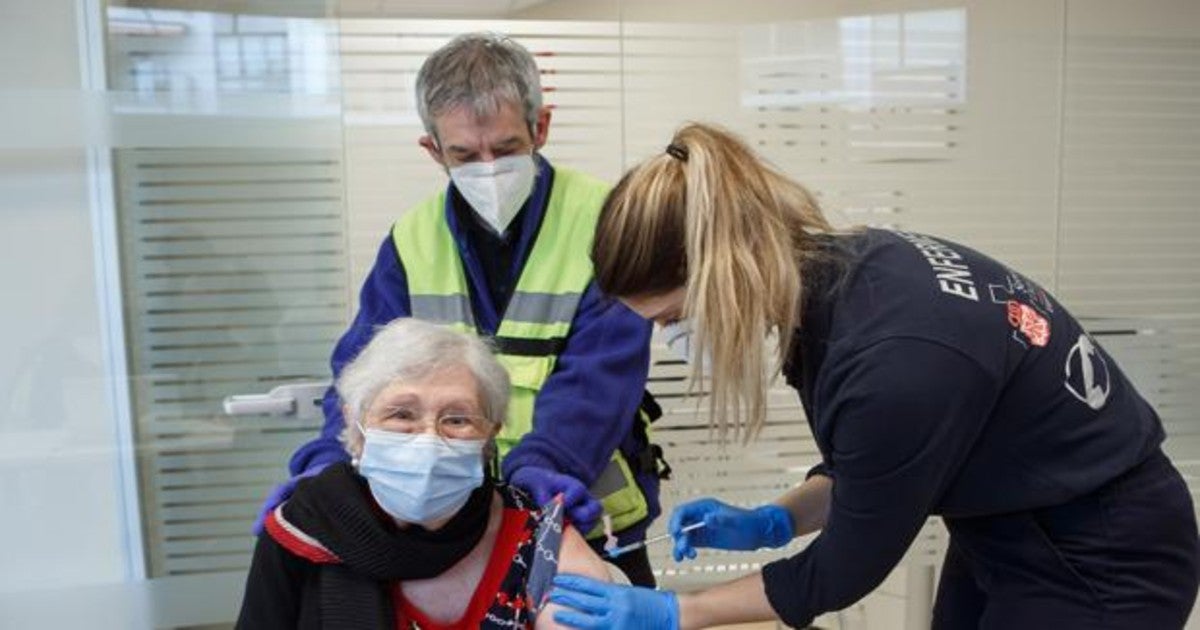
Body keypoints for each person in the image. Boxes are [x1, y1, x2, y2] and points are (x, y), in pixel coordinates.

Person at [548, 122, 1200, 629]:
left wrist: (675, 612)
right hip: (1006, 527)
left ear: (726, 275)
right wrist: (773, 521)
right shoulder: (846, 280)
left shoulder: (894, 355)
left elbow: (842, 571)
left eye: (673, 316)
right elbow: (875, 470)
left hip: (1101, 554)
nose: (671, 339)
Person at [253, 32, 665, 587]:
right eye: (465, 156)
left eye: (507, 148)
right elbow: (362, 377)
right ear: (433, 150)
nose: (488, 169)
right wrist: (330, 463)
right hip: (449, 528)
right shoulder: (412, 240)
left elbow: (600, 376)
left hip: (576, 513)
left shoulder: (607, 222)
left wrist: (544, 466)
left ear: (540, 128)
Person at [236, 318, 613, 628]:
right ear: (355, 425)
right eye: (401, 414)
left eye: (457, 419)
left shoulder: (539, 536)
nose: (429, 440)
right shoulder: (301, 530)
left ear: (490, 435)